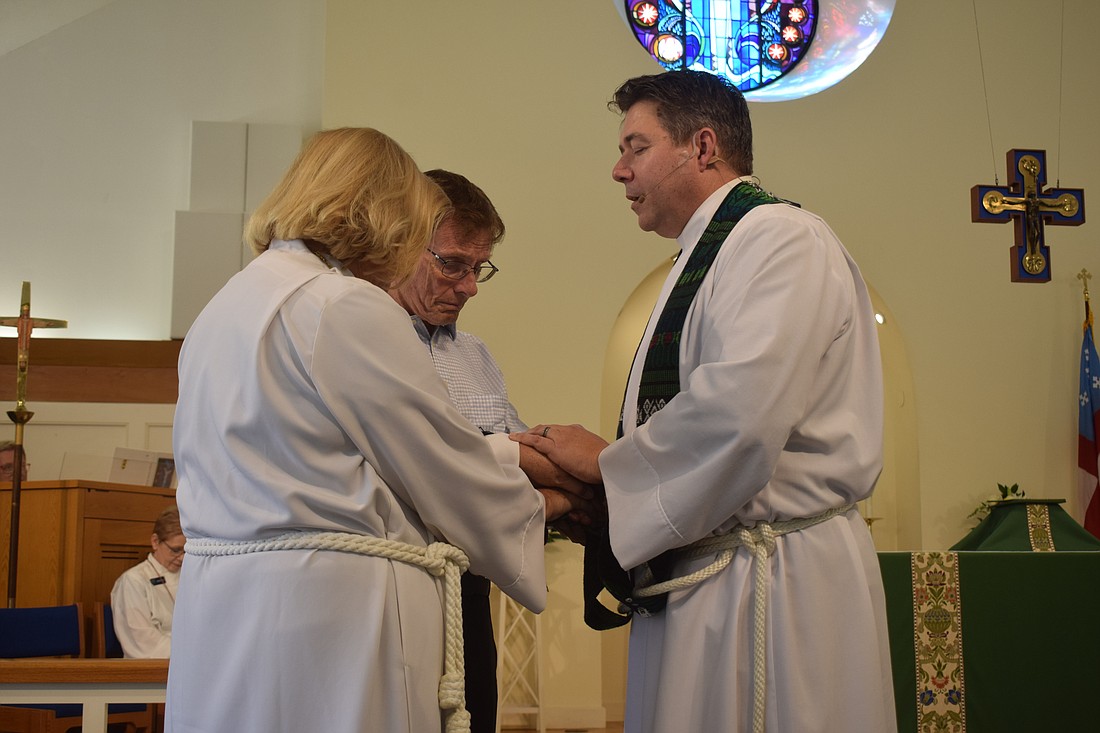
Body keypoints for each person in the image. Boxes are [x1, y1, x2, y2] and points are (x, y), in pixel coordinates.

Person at [167, 127, 591, 733]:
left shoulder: (229, 303)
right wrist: (566, 498)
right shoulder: (340, 303)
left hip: (229, 602)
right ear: (381, 212)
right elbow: (439, 467)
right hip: (330, 611)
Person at [513, 70, 897, 733]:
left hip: (774, 580)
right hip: (713, 568)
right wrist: (611, 500)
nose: (617, 169)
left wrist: (608, 465)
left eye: (636, 147)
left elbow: (739, 414)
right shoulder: (706, 255)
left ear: (703, 145)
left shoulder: (781, 239)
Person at [389, 168, 584, 733]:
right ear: (401, 241)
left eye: (480, 268)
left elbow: (514, 450)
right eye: (451, 263)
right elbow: (452, 464)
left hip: (466, 579)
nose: (469, 286)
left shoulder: (475, 353)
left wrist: (562, 476)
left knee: (475, 717)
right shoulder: (370, 336)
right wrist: (582, 487)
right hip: (397, 582)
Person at [110, 505, 182, 658]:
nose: (182, 558)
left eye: (187, 551)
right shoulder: (133, 581)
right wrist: (192, 653)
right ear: (155, 542)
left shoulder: (192, 576)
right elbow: (143, 642)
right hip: (152, 667)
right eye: (176, 550)